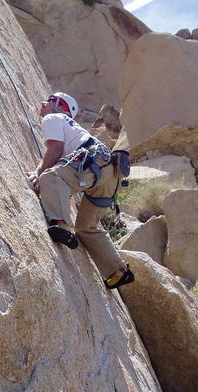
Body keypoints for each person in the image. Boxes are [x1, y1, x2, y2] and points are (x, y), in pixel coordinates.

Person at [28, 92, 134, 289]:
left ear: (61, 107)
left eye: (49, 100)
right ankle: (117, 271)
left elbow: (55, 149)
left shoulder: (54, 117)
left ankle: (61, 225)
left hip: (93, 165)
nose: (43, 104)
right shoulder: (73, 128)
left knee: (50, 177)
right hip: (111, 172)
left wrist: (37, 172)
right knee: (87, 228)